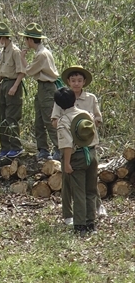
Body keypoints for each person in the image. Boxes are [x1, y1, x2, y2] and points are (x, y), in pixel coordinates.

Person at [51, 65, 104, 224]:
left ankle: (92, 212)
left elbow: (97, 119)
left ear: (84, 82)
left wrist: (84, 128)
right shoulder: (62, 97)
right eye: (73, 80)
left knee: (89, 184)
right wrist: (69, 127)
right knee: (68, 183)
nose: (76, 83)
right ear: (68, 81)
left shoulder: (90, 98)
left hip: (87, 146)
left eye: (79, 80)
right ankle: (69, 215)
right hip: (69, 148)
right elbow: (54, 120)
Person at [54, 87, 99, 236]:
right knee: (91, 190)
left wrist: (67, 163)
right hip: (91, 153)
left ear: (59, 105)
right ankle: (91, 222)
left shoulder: (64, 120)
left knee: (79, 191)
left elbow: (67, 145)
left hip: (77, 157)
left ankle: (80, 225)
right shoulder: (85, 114)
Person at [20, 23, 60, 161]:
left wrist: (23, 59)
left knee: (50, 118)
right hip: (42, 87)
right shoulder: (41, 53)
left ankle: (59, 149)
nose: (26, 42)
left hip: (47, 88)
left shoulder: (42, 54)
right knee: (39, 119)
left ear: (30, 40)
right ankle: (43, 149)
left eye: (26, 39)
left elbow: (29, 71)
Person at [0, 22, 26, 158]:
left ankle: (16, 147)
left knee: (11, 117)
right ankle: (5, 147)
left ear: (3, 38)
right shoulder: (1, 51)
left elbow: (21, 72)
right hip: (3, 84)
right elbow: (2, 71)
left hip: (13, 84)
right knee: (2, 117)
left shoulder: (15, 52)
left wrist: (15, 87)